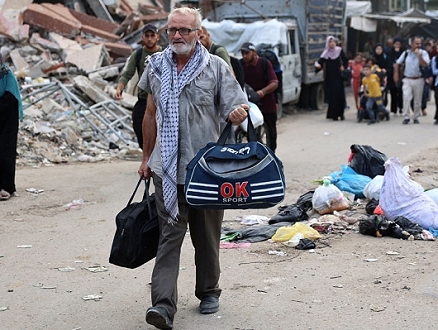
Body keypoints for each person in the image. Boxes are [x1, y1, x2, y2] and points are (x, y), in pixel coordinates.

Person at [137, 7, 249, 330]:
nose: (177, 36)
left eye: (184, 30)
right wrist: (146, 158)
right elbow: (149, 113)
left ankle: (209, 290)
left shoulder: (215, 68)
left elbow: (234, 105)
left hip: (207, 171)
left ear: (198, 33)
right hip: (166, 170)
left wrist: (238, 113)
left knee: (207, 235)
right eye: (172, 30)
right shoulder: (156, 67)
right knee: (169, 236)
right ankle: (162, 305)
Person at [114, 24, 162, 147]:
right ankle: (146, 155)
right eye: (147, 36)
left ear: (158, 37)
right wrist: (119, 88)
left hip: (161, 101)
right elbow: (127, 73)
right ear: (142, 37)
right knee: (138, 125)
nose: (150, 39)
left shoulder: (164, 54)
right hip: (143, 99)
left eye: (152, 36)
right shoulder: (139, 54)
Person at [240, 42, 278, 152]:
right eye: (242, 53)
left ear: (254, 52)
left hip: (267, 104)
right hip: (250, 105)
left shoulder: (265, 64)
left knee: (271, 131)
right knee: (251, 133)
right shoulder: (240, 64)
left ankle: (272, 154)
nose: (244, 56)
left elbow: (274, 82)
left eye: (247, 53)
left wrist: (263, 92)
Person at [0, 53, 22, 200]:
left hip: (7, 119)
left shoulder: (6, 75)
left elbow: (11, 97)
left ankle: (6, 186)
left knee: (4, 151)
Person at [394, 36, 430, 124]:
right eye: (416, 43)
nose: (418, 45)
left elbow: (425, 64)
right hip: (407, 79)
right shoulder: (406, 53)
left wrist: (419, 55)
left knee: (417, 100)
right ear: (412, 44)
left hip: (419, 79)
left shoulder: (423, 53)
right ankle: (406, 116)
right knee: (406, 97)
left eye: (420, 44)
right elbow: (397, 63)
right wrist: (396, 74)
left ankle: (416, 116)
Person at [315, 36, 348, 121]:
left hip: (338, 77)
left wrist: (343, 67)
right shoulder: (326, 53)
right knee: (332, 96)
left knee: (339, 95)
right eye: (330, 42)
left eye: (333, 42)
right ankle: (333, 115)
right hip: (330, 78)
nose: (332, 43)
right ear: (327, 43)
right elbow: (320, 63)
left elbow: (345, 61)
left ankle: (341, 113)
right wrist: (318, 67)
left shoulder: (339, 51)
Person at [386, 37, 404, 115]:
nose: (397, 46)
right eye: (396, 44)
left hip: (401, 75)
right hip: (391, 74)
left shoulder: (403, 53)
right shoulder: (389, 53)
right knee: (393, 92)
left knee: (401, 92)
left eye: (398, 44)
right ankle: (393, 109)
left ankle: (401, 107)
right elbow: (388, 62)